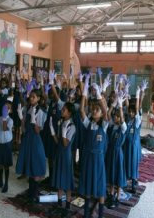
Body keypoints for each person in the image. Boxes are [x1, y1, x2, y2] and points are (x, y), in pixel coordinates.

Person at [79, 75, 108, 218]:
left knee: (100, 184)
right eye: (94, 109)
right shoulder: (89, 124)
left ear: (102, 113)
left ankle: (101, 214)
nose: (95, 111)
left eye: (98, 110)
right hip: (88, 157)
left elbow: (106, 112)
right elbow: (82, 111)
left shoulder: (104, 124)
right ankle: (86, 213)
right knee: (88, 183)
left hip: (99, 158)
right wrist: (84, 92)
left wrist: (100, 96)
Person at [16, 89, 46, 204]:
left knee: (36, 165)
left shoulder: (40, 111)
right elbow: (25, 125)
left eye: (34, 97)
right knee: (28, 163)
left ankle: (33, 194)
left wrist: (34, 121)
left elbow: (38, 130)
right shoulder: (28, 108)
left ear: (38, 98)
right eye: (31, 96)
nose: (31, 98)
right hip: (27, 137)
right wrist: (21, 117)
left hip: (34, 138)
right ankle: (30, 193)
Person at [48, 102, 76, 217]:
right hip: (59, 153)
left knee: (67, 182)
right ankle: (59, 205)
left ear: (69, 113)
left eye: (64, 109)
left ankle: (68, 207)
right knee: (60, 179)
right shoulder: (63, 123)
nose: (61, 111)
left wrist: (64, 133)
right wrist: (52, 130)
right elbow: (58, 141)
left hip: (66, 155)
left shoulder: (72, 126)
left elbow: (65, 144)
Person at [123, 81, 147, 194]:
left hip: (134, 145)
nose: (132, 113)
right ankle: (126, 181)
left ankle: (133, 184)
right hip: (127, 145)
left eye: (133, 112)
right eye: (130, 112)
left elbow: (137, 109)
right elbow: (128, 106)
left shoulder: (137, 121)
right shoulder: (128, 119)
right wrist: (126, 89)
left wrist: (138, 95)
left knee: (133, 164)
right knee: (127, 162)